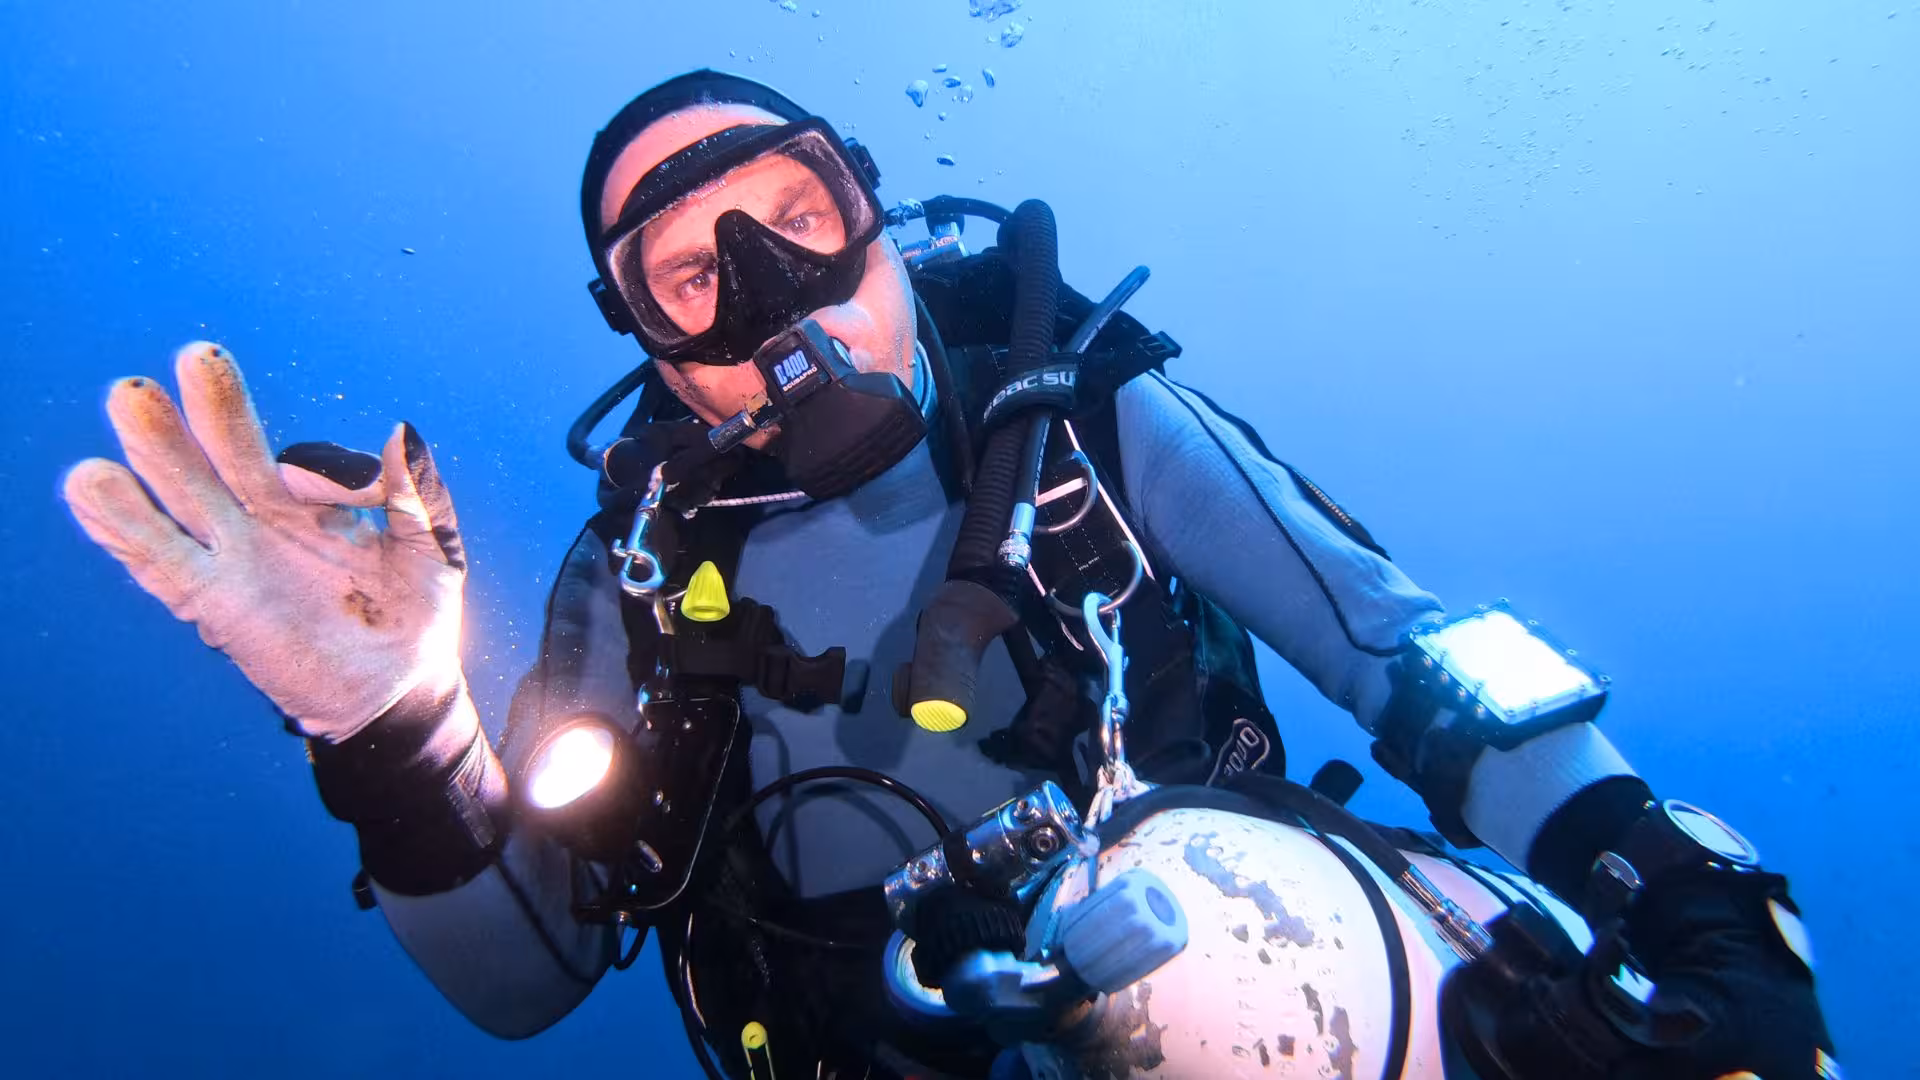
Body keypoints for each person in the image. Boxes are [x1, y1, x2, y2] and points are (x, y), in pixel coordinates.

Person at [62, 70, 1836, 1079]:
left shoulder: (1083, 426)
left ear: (882, 217)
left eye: (791, 216)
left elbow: (1409, 654)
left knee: (1214, 936)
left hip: (1292, 990)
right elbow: (530, 975)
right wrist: (381, 714)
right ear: (644, 348)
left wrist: (1685, 899)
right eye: (685, 278)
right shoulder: (640, 582)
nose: (764, 293)